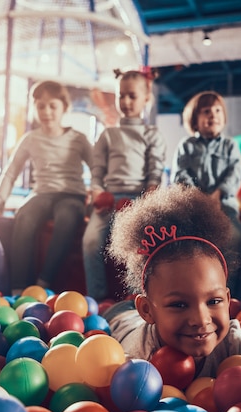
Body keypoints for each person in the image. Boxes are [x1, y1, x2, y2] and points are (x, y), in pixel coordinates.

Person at [105, 183, 241, 378]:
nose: (201, 320)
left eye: (214, 301)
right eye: (179, 305)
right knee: (119, 312)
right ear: (147, 310)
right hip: (123, 318)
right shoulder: (137, 362)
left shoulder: (236, 346)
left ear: (228, 300)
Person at [0, 80, 93, 295]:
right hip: (43, 193)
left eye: (52, 106)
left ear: (65, 107)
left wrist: (97, 198)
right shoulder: (31, 139)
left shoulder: (78, 139)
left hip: (72, 195)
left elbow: (98, 169)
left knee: (67, 216)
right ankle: (19, 287)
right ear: (35, 109)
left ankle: (43, 284)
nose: (46, 112)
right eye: (40, 106)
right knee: (25, 216)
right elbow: (11, 171)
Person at [82, 68, 166, 302]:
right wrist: (98, 192)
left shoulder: (152, 135)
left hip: (138, 199)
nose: (126, 101)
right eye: (121, 96)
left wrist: (144, 201)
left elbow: (155, 174)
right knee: (90, 241)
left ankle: (136, 297)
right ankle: (97, 299)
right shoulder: (108, 135)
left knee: (139, 243)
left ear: (146, 98)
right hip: (109, 199)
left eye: (132, 96)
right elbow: (97, 172)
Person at [171, 90, 241, 254]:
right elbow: (180, 174)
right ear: (195, 120)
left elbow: (236, 172)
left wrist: (218, 194)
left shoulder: (230, 145)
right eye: (206, 112)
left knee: (236, 238)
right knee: (186, 243)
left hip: (224, 208)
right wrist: (199, 198)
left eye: (217, 110)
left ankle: (228, 279)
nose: (213, 115)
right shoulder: (186, 145)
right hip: (193, 207)